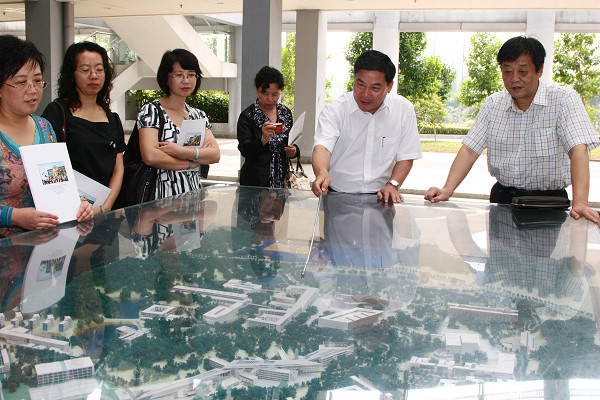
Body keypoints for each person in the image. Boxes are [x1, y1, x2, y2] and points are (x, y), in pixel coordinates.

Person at [425, 36, 600, 225]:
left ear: (539, 70)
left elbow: (578, 149)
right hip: (503, 199)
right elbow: (469, 150)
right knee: (499, 246)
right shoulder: (493, 104)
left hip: (548, 204)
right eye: (507, 71)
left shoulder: (564, 100)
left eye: (522, 71)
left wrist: (580, 202)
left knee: (545, 246)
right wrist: (447, 189)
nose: (514, 79)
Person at [0, 35, 93, 237]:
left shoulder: (45, 127)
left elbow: (57, 183)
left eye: (37, 81)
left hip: (43, 243)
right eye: (21, 82)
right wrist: (13, 216)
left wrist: (79, 203)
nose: (32, 90)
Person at [311, 49, 422, 203]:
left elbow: (406, 155)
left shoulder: (403, 109)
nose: (365, 94)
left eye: (375, 88)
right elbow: (322, 146)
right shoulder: (336, 109)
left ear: (389, 86)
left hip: (382, 197)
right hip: (338, 196)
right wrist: (322, 172)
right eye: (360, 85)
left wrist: (393, 185)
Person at [42, 41, 126, 216]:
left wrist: (106, 207)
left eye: (99, 69)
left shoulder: (112, 119)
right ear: (71, 74)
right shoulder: (57, 112)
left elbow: (118, 169)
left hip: (105, 213)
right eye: (85, 70)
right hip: (70, 211)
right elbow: (47, 164)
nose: (93, 75)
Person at [137, 49, 220, 199]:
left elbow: (215, 155)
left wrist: (181, 152)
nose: (186, 80)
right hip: (161, 198)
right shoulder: (152, 111)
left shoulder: (198, 115)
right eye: (179, 75)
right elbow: (150, 156)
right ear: (166, 78)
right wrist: (193, 162)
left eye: (191, 74)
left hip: (193, 196)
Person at [237, 66, 297, 188]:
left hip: (281, 180)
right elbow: (245, 150)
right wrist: (263, 140)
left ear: (280, 91)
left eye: (275, 94)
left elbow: (290, 140)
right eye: (265, 94)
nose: (270, 99)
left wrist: (294, 151)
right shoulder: (248, 116)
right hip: (256, 181)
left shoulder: (285, 113)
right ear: (257, 90)